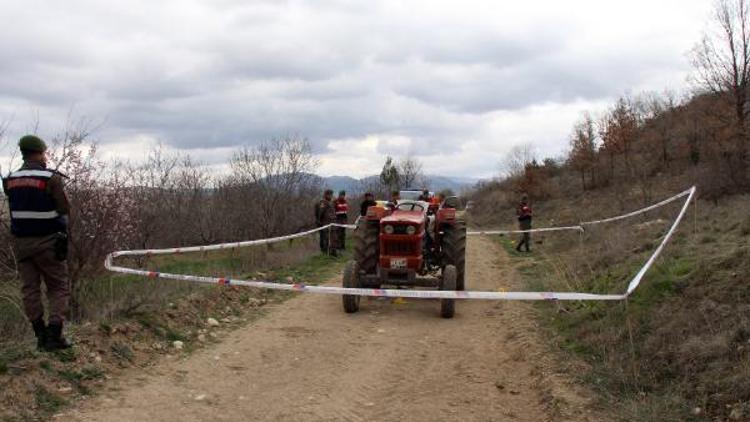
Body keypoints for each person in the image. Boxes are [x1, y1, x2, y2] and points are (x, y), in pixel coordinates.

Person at [2, 135, 72, 351]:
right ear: (40, 152)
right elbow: (64, 208)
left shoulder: (10, 179)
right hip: (48, 242)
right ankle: (54, 334)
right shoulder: (51, 178)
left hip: (22, 244)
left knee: (29, 289)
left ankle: (39, 335)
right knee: (58, 286)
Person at [314, 189, 337, 256]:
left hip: (332, 222)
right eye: (330, 195)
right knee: (326, 238)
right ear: (326, 195)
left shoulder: (331, 202)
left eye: (331, 195)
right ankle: (325, 252)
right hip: (326, 223)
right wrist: (319, 221)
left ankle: (333, 252)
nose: (331, 196)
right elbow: (320, 212)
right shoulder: (323, 202)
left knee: (333, 238)